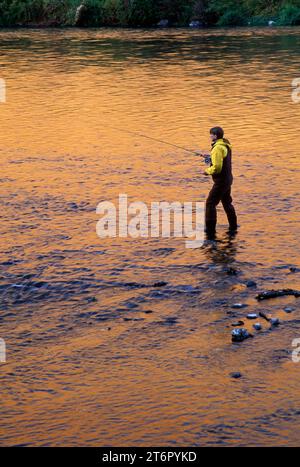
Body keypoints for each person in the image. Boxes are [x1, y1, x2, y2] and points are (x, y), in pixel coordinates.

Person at [201, 127, 238, 237]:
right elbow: (219, 159)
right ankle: (233, 226)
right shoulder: (225, 145)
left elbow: (217, 167)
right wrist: (210, 157)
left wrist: (207, 171)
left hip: (221, 181)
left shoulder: (217, 148)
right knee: (227, 203)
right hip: (227, 179)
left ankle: (210, 232)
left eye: (211, 134)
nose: (210, 136)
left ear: (215, 136)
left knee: (210, 204)